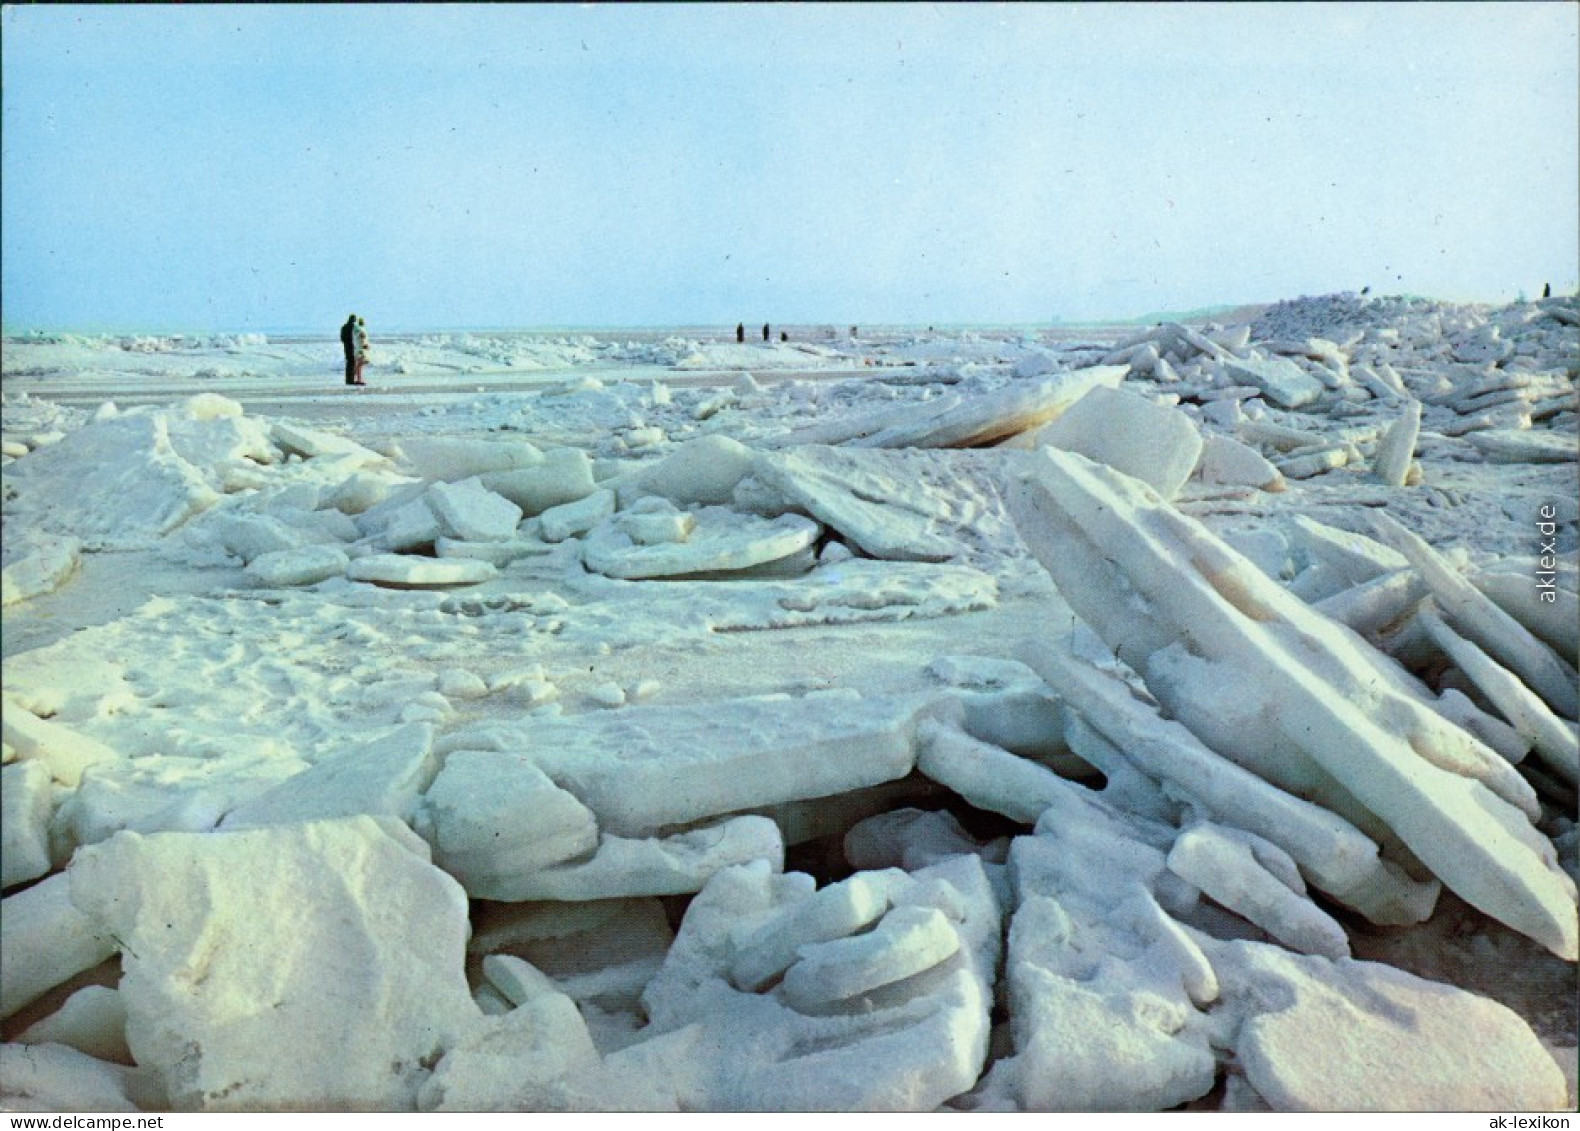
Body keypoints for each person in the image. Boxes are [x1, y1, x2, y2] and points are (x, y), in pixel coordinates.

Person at [351, 316, 369, 386]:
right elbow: (362, 340)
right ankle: (357, 378)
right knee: (360, 364)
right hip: (361, 350)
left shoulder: (356, 331)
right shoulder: (361, 331)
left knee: (359, 364)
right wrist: (365, 345)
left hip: (357, 349)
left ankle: (356, 378)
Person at [340, 314, 358, 385]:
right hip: (353, 347)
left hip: (346, 347)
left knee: (348, 363)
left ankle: (348, 380)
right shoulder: (354, 327)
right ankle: (351, 379)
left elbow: (342, 338)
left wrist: (346, 343)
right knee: (352, 363)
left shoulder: (344, 327)